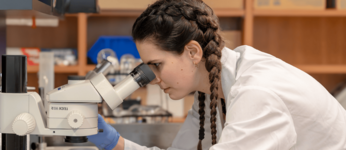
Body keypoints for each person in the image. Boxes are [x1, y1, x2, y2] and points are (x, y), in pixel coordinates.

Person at [87, 0, 346, 149]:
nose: (152, 79)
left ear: (192, 52)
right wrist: (115, 143)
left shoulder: (255, 93)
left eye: (156, 65)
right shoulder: (213, 88)